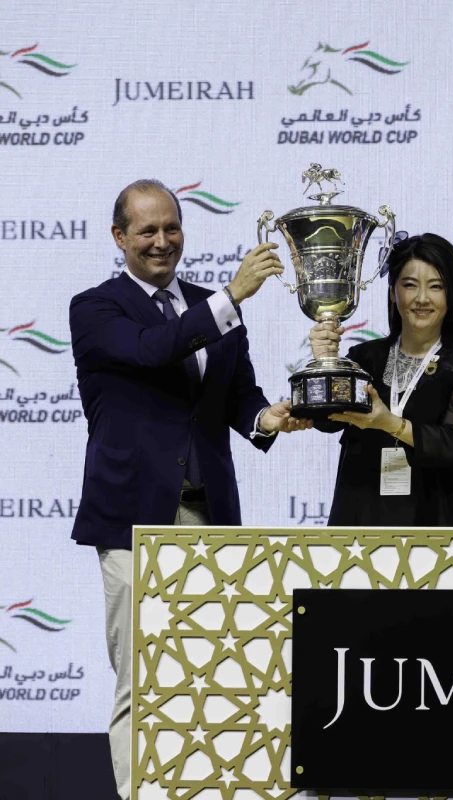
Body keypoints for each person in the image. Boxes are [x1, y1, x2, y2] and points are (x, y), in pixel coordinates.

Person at [69, 179, 312, 800]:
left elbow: (237, 397)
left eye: (170, 228)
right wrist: (233, 294)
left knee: (214, 669)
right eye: (146, 231)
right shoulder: (96, 309)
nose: (161, 242)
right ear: (119, 238)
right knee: (140, 674)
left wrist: (268, 418)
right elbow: (153, 351)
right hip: (130, 518)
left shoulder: (214, 306)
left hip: (210, 514)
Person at [308, 232, 453, 526]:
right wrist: (325, 362)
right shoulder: (364, 356)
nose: (421, 298)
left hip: (441, 523)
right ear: (393, 292)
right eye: (409, 285)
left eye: (436, 286)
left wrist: (389, 424)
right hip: (363, 517)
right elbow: (326, 420)